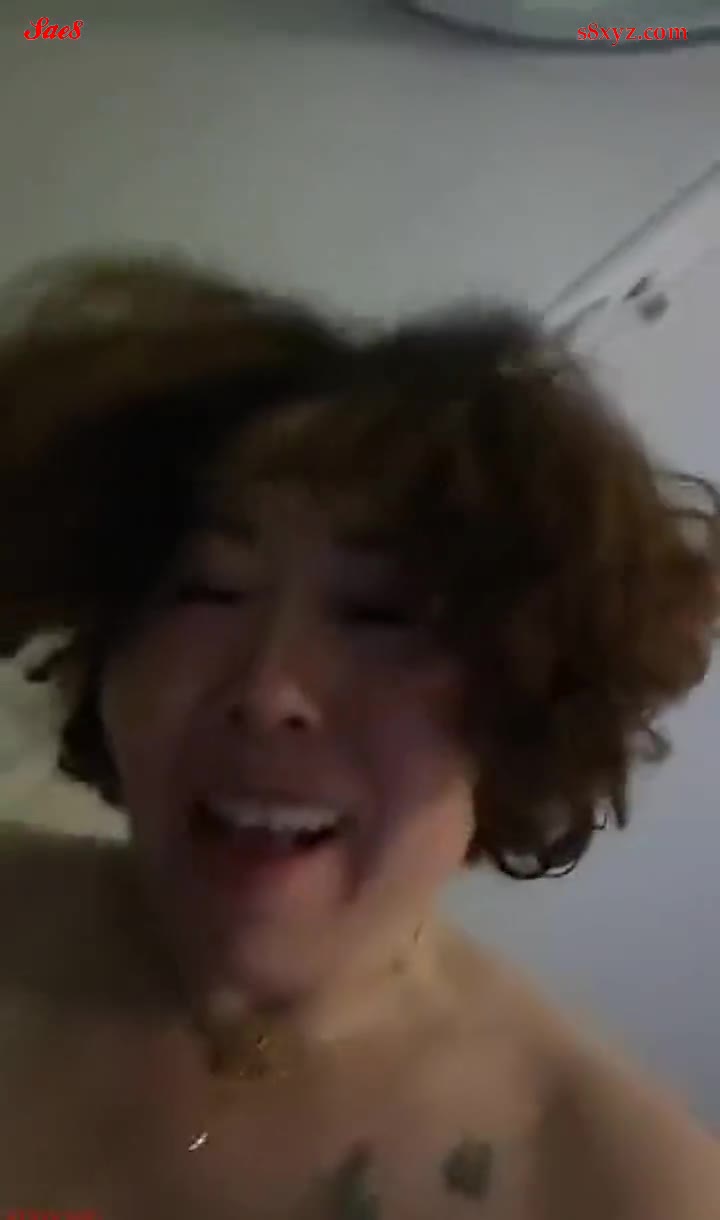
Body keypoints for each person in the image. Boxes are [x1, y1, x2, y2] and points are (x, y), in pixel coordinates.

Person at [0, 252, 718, 1220]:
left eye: (384, 615)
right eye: (207, 589)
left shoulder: (622, 1188)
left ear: (527, 704)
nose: (268, 690)